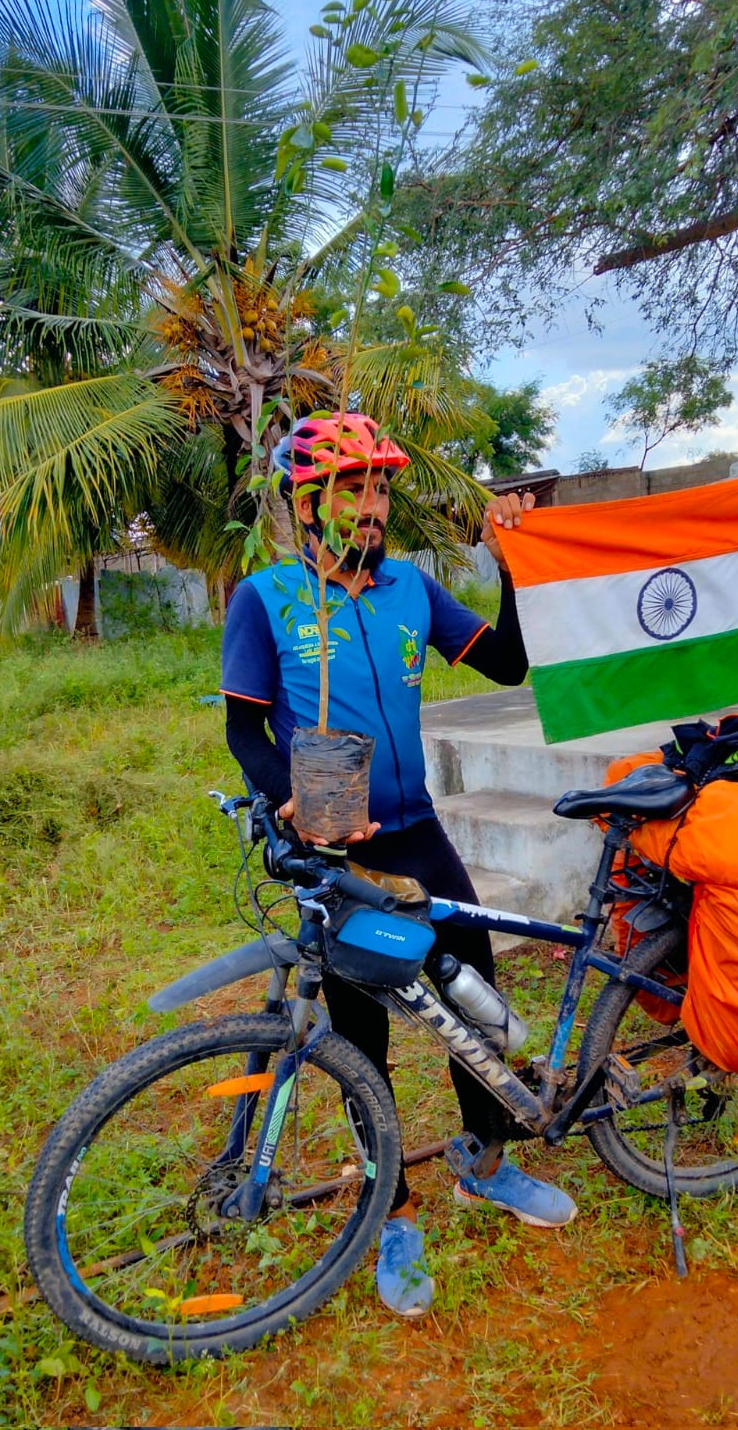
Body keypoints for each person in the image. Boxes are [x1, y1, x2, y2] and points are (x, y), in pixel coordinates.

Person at [220, 411, 576, 1319]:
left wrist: (511, 567)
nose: (373, 505)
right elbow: (244, 729)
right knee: (359, 1037)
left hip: (418, 835)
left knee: (476, 1002)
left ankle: (484, 1161)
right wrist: (287, 797)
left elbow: (506, 664)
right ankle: (392, 1212)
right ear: (308, 504)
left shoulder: (410, 587)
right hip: (337, 848)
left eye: (380, 487)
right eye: (353, 488)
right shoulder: (266, 597)